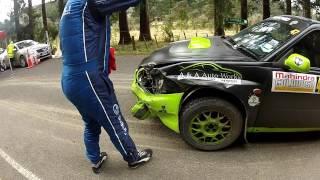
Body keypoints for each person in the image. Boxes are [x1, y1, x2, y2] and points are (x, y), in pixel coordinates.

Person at [59, 0, 152, 174]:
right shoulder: (89, 3)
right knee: (113, 118)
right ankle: (133, 156)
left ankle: (95, 158)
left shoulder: (69, 8)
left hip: (68, 78)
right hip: (88, 78)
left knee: (91, 122)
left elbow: (66, 46)